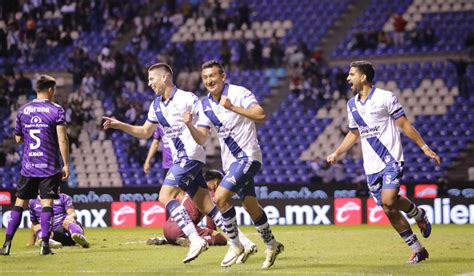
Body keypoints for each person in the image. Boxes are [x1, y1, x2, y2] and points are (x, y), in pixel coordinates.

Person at [102, 62, 254, 264]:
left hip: (190, 155)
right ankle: (244, 241)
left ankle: (194, 239)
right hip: (181, 158)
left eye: (152, 79)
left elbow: (204, 127)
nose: (149, 83)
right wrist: (120, 125)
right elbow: (145, 132)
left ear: (164, 78)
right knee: (207, 205)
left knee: (164, 196)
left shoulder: (188, 99)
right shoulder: (156, 105)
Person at [326, 61, 441, 264]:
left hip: (391, 159)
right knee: (389, 207)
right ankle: (418, 244)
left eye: (351, 74)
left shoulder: (385, 97)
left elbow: (404, 124)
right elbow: (354, 134)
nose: (347, 78)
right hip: (371, 166)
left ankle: (418, 216)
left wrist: (425, 148)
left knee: (389, 200)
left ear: (363, 77)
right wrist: (337, 153)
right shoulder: (351, 104)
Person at [184, 60, 284, 269]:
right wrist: (189, 125)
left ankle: (235, 244)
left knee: (220, 196)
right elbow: (202, 138)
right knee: (250, 206)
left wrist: (233, 107)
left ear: (223, 77)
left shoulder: (240, 93)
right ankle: (271, 244)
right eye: (205, 77)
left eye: (213, 76)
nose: (209, 80)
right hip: (230, 163)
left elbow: (261, 115)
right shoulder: (205, 105)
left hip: (248, 156)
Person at [1, 75, 70, 256]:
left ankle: (7, 244)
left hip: (29, 165)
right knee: (47, 204)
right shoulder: (56, 110)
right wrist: (66, 164)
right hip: (49, 165)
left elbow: (18, 138)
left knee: (19, 204)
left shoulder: (23, 110)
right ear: (50, 89)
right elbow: (62, 138)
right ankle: (45, 245)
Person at [146, 170, 228, 247]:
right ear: (216, 183)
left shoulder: (194, 189)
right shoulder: (211, 195)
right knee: (221, 239)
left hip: (167, 228)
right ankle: (191, 240)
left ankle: (165, 239)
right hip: (181, 230)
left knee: (181, 233)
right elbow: (210, 219)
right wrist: (213, 232)